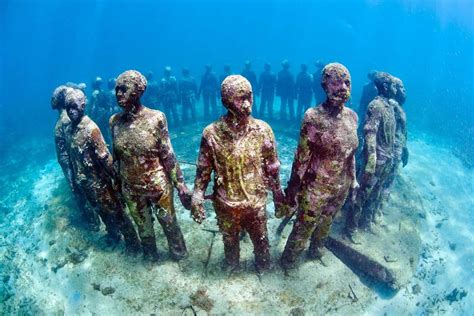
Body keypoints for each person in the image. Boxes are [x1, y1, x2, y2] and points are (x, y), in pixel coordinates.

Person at [191, 75, 285, 273]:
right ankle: (232, 265)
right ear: (226, 100)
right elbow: (203, 168)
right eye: (240, 98)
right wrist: (197, 194)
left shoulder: (263, 130)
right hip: (226, 202)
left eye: (249, 97)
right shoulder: (211, 133)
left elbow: (272, 167)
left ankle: (263, 266)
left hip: (256, 202)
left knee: (261, 240)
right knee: (229, 239)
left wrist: (277, 194)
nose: (247, 104)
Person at [279, 63, 358, 270]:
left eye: (347, 82)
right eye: (336, 82)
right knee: (304, 226)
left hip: (341, 185)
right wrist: (293, 190)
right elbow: (301, 158)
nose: (343, 87)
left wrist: (354, 179)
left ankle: (316, 250)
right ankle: (289, 261)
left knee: (327, 221)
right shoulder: (313, 117)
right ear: (325, 85)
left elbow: (351, 153)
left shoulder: (352, 117)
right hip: (316, 187)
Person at [110, 70, 192, 263]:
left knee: (168, 222)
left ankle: (179, 254)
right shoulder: (114, 121)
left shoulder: (156, 118)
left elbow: (168, 155)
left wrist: (180, 185)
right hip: (130, 188)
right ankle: (150, 255)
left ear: (138, 91)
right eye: (117, 90)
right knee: (143, 226)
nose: (119, 94)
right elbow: (116, 158)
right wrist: (117, 185)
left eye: (124, 89)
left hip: (158, 188)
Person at [64, 88, 140, 251]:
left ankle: (132, 242)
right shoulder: (69, 130)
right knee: (101, 212)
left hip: (101, 183)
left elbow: (105, 157)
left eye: (74, 106)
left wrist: (117, 180)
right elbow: (71, 158)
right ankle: (113, 234)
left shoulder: (91, 129)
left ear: (83, 105)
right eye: (68, 108)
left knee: (117, 212)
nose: (71, 111)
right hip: (86, 183)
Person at [345, 72, 397, 238]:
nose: (396, 88)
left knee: (375, 193)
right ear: (386, 86)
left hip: (385, 160)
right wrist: (371, 159)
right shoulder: (376, 106)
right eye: (394, 85)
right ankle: (350, 228)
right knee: (361, 194)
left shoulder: (388, 106)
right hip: (376, 161)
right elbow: (370, 133)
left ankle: (365, 223)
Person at [51, 85, 100, 230]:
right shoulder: (66, 120)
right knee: (79, 190)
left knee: (79, 191)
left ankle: (93, 221)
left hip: (70, 161)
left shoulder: (64, 120)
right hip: (69, 161)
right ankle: (93, 220)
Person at [89, 76, 111, 143]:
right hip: (104, 116)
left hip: (98, 117)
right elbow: (108, 105)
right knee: (106, 135)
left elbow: (92, 108)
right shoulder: (103, 92)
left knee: (101, 135)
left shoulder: (94, 94)